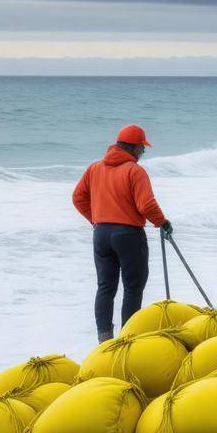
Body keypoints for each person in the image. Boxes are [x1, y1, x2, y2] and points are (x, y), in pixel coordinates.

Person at [72, 125, 171, 342]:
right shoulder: (134, 171)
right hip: (128, 235)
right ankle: (128, 340)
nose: (143, 153)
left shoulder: (94, 169)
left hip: (101, 235)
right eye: (142, 148)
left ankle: (104, 340)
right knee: (133, 288)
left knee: (105, 287)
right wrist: (162, 222)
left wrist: (96, 219)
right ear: (135, 148)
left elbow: (78, 198)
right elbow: (146, 205)